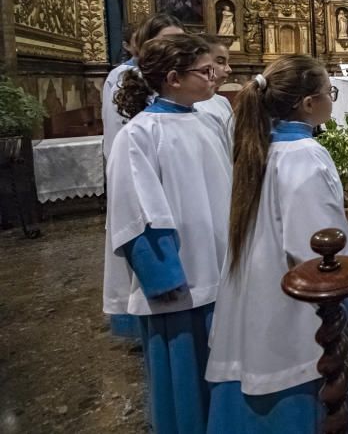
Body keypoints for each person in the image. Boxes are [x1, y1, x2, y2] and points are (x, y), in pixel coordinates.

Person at [206, 56, 348, 432]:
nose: (330, 99)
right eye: (328, 93)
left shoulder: (260, 147)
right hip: (292, 306)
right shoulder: (305, 156)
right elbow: (320, 247)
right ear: (309, 104)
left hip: (255, 288)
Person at [103, 34, 232, 434]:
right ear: (174, 78)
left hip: (218, 265)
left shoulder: (204, 121)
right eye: (206, 71)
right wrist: (162, 277)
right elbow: (136, 210)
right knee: (184, 375)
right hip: (179, 278)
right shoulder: (140, 134)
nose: (215, 77)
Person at [102, 13, 185, 162]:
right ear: (146, 44)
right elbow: (117, 135)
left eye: (181, 41)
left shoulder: (185, 79)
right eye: (166, 41)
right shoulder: (126, 82)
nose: (175, 47)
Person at [194, 35, 234, 156]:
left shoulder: (222, 101)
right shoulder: (191, 104)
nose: (229, 69)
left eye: (228, 62)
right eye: (220, 62)